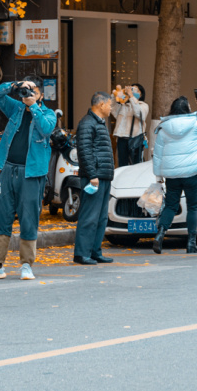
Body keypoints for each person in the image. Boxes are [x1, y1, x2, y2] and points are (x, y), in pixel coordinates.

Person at [0, 76, 57, 282]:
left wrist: (34, 107)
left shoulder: (48, 113)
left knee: (28, 217)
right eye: (25, 90)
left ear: (40, 94)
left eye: (31, 90)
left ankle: (26, 265)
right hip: (8, 169)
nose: (26, 94)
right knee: (0, 215)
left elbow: (46, 129)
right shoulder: (16, 108)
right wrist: (14, 86)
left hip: (32, 173)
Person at [151, 94, 197, 255]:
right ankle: (191, 243)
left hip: (172, 175)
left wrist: (158, 177)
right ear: (187, 109)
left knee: (171, 205)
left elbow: (157, 154)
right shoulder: (194, 124)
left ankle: (160, 234)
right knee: (193, 207)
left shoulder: (164, 128)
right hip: (192, 173)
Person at [72, 92, 116, 265]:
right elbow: (84, 151)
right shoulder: (87, 123)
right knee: (89, 216)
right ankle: (81, 253)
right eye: (110, 104)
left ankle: (95, 251)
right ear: (101, 104)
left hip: (103, 175)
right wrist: (92, 175)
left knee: (101, 217)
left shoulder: (98, 123)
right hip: (95, 176)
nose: (111, 108)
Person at [111, 84, 149, 166]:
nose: (133, 91)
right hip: (122, 139)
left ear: (141, 94)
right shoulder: (123, 106)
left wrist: (132, 97)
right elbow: (112, 108)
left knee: (135, 166)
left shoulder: (144, 106)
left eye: (136, 90)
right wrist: (116, 95)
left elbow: (138, 113)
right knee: (122, 166)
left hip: (135, 139)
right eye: (132, 89)